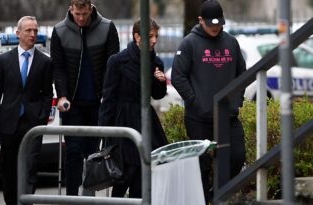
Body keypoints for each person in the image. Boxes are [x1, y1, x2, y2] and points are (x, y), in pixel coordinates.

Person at [171, 0, 246, 204]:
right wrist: (195, 101)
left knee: (237, 156)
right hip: (199, 118)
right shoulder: (189, 43)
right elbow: (178, 76)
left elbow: (242, 74)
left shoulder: (231, 42)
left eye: (218, 23)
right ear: (200, 20)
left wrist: (236, 101)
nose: (215, 27)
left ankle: (215, 195)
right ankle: (204, 200)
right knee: (202, 166)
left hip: (228, 117)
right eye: (210, 23)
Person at [50, 0, 120, 196]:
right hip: (72, 103)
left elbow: (111, 66)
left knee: (93, 154)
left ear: (91, 8)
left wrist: (108, 96)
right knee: (73, 151)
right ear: (71, 9)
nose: (80, 19)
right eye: (77, 14)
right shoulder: (60, 31)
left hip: (98, 102)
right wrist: (62, 94)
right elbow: (58, 67)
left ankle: (89, 196)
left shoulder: (107, 28)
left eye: (84, 14)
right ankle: (72, 196)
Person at [99, 18, 168, 198]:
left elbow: (157, 95)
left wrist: (160, 81)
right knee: (126, 172)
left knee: (144, 172)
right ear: (137, 36)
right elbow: (108, 98)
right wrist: (104, 132)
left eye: (156, 36)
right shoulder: (117, 61)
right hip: (124, 120)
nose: (154, 40)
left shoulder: (156, 62)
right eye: (150, 36)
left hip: (145, 119)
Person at [0, 16, 53, 205]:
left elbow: (48, 94)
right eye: (28, 30)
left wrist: (42, 117)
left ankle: (27, 202)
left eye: (35, 30)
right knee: (9, 169)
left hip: (33, 123)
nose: (33, 34)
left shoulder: (45, 62)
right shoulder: (4, 60)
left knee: (30, 168)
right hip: (8, 123)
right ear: (18, 33)